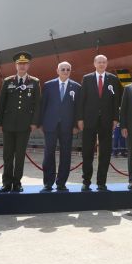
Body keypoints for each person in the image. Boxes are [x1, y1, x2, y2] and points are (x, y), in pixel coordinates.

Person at [77, 54, 122, 191]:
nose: (102, 64)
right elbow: (81, 100)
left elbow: (116, 101)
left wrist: (115, 119)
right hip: (89, 120)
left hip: (107, 121)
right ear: (94, 64)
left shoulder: (113, 79)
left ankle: (101, 182)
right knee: (87, 152)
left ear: (107, 64)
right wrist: (80, 119)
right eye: (99, 62)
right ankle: (86, 181)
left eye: (104, 62)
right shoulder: (87, 78)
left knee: (105, 152)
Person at [0, 51, 40, 193]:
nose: (22, 66)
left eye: (25, 64)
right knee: (7, 155)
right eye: (20, 64)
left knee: (20, 155)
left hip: (24, 125)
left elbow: (37, 104)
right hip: (8, 124)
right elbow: (1, 103)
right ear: (16, 65)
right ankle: (6, 183)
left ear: (28, 65)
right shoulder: (8, 81)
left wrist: (34, 122)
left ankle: (17, 183)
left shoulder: (34, 82)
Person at [36, 61, 79, 192]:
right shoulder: (48, 85)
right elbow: (42, 105)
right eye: (63, 69)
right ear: (57, 70)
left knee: (66, 154)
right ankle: (48, 183)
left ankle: (61, 182)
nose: (65, 72)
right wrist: (40, 123)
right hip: (50, 124)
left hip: (68, 126)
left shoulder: (76, 87)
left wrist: (76, 125)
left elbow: (78, 108)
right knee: (49, 154)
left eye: (68, 70)